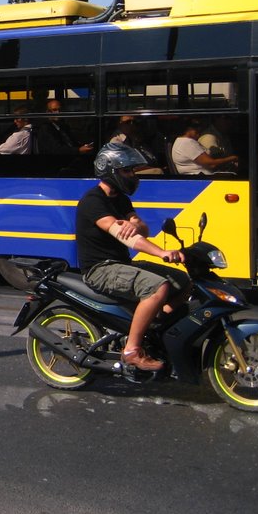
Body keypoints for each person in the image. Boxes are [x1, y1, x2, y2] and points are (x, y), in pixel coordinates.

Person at [76, 142, 190, 371]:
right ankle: (132, 350)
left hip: (121, 264)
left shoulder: (120, 199)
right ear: (109, 170)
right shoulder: (93, 201)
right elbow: (123, 235)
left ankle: (154, 324)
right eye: (127, 171)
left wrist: (137, 223)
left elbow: (140, 231)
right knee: (157, 287)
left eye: (132, 171)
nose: (132, 176)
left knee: (184, 281)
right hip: (100, 269)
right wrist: (161, 252)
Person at [172, 119, 238, 175]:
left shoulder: (180, 141)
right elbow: (210, 163)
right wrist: (232, 158)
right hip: (201, 177)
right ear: (189, 129)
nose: (199, 133)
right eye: (196, 131)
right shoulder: (187, 142)